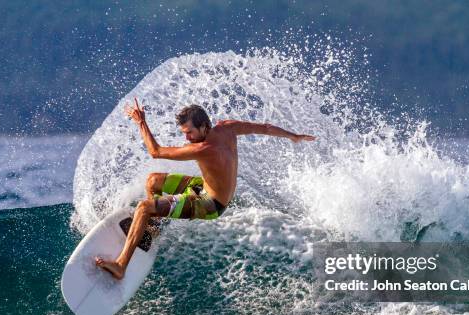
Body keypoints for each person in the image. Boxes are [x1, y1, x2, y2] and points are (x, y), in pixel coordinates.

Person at [95, 98, 316, 279]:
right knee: (153, 181)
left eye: (189, 132)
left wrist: (141, 122)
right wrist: (292, 136)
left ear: (203, 126)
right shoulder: (227, 128)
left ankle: (121, 265)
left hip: (211, 204)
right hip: (204, 188)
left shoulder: (204, 149)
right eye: (183, 132)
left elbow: (156, 152)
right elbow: (265, 128)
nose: (186, 137)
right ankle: (153, 227)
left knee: (143, 207)